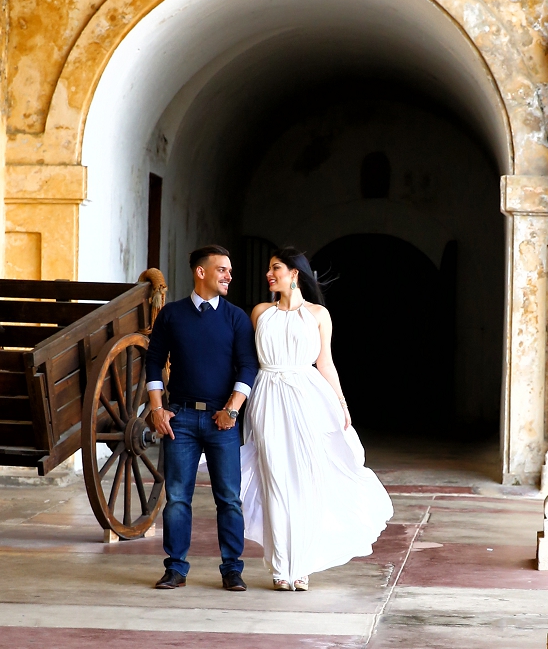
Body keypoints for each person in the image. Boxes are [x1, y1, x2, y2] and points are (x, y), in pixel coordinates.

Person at [241, 247, 393, 590]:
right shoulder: (260, 312)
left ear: (294, 273)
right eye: (268, 269)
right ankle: (282, 568)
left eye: (275, 268)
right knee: (275, 478)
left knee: (305, 478)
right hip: (268, 394)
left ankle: (302, 566)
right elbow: (251, 360)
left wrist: (341, 403)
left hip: (307, 395)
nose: (269, 274)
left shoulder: (318, 314)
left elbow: (325, 362)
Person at [146, 245, 258, 591]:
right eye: (222, 269)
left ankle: (232, 570)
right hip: (179, 419)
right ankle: (175, 569)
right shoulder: (172, 315)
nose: (228, 276)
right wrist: (156, 407)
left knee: (228, 498)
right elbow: (152, 361)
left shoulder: (236, 318)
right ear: (201, 272)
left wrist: (232, 409)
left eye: (229, 270)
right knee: (177, 498)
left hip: (222, 421)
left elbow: (248, 366)